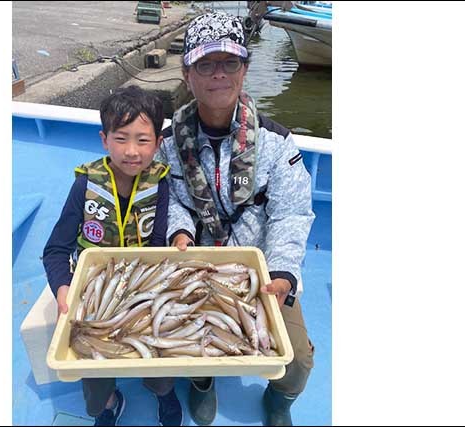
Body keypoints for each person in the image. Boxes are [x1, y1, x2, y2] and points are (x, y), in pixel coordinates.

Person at [155, 12, 316, 426]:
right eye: (206, 64)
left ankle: (279, 401)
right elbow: (172, 198)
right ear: (187, 74)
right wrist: (180, 233)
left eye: (230, 63)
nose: (219, 75)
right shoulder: (170, 142)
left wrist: (281, 273)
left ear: (245, 70)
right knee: (185, 340)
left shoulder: (277, 142)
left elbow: (291, 213)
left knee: (297, 359)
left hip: (259, 269)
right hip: (198, 264)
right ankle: (203, 381)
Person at [42, 85, 182, 426]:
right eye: (121, 139)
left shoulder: (160, 185)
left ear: (158, 143)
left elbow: (158, 245)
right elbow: (56, 250)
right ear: (104, 139)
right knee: (90, 369)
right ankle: (107, 402)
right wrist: (63, 289)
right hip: (92, 289)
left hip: (143, 288)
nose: (131, 151)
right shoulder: (86, 185)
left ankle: (162, 389)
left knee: (159, 356)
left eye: (142, 140)